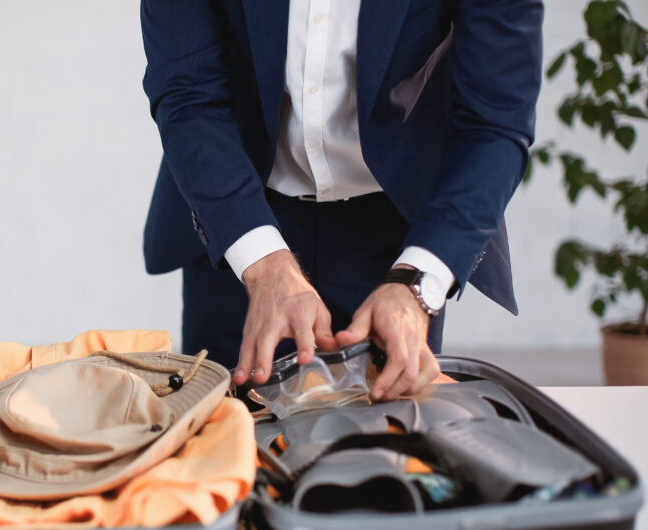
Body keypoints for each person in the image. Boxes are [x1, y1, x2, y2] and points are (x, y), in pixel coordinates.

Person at [139, 0, 543, 400]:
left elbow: (496, 121)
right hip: (239, 223)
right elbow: (186, 93)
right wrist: (261, 262)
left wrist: (418, 284)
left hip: (399, 238)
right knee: (226, 440)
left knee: (388, 449)